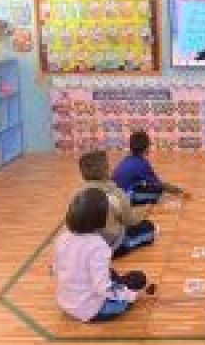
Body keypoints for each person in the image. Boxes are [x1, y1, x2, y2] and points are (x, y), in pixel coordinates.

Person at [53, 188, 155, 322]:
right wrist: (132, 295)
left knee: (110, 273)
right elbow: (103, 287)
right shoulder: (98, 245)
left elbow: (55, 269)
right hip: (92, 310)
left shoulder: (62, 237)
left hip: (65, 302)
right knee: (138, 278)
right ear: (100, 217)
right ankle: (112, 303)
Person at [78, 150, 156, 257]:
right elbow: (129, 221)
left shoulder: (77, 194)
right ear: (106, 170)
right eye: (108, 165)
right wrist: (143, 213)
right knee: (149, 228)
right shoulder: (115, 194)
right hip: (112, 245)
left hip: (86, 246)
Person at [111, 130, 189, 205]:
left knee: (150, 188)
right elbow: (160, 185)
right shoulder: (142, 164)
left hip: (115, 195)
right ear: (146, 148)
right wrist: (180, 192)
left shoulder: (126, 159)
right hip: (125, 198)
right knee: (159, 195)